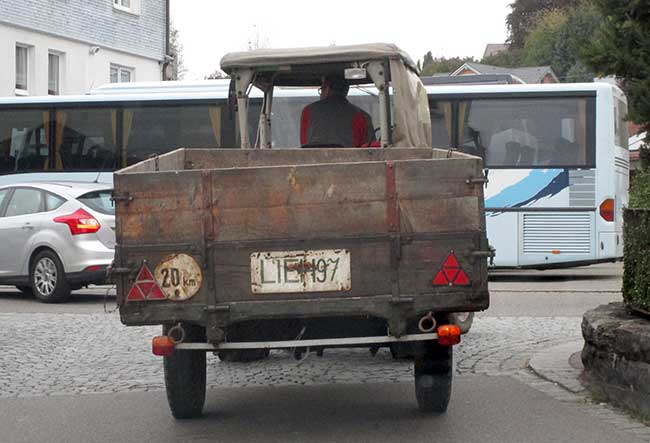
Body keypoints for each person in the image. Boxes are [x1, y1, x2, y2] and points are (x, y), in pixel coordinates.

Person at [300, 74, 375, 148]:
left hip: (314, 159)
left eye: (322, 89)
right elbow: (369, 149)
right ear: (346, 91)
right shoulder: (362, 116)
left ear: (327, 89)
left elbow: (304, 142)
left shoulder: (308, 111)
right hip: (350, 159)